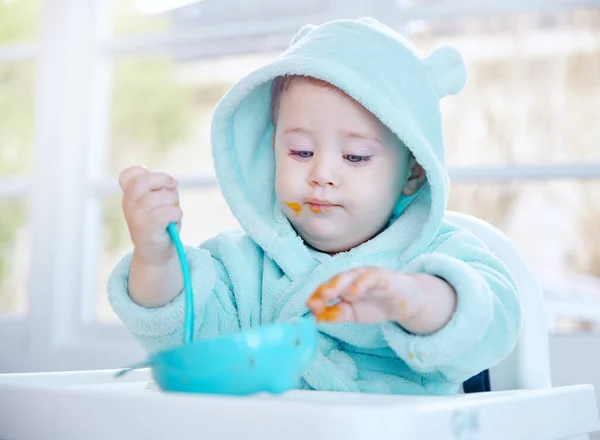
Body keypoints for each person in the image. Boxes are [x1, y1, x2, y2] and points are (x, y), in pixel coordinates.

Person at [108, 17, 521, 394]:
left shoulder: (437, 254)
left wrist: (416, 299)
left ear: (413, 171)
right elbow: (183, 332)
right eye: (301, 152)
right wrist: (155, 257)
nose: (321, 174)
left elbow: (495, 320)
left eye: (356, 156)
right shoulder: (240, 266)